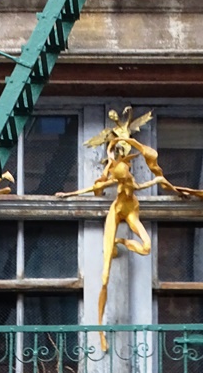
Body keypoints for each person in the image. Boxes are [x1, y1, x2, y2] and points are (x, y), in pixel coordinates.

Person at [56, 136, 173, 350]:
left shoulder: (132, 182)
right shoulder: (118, 181)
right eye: (121, 176)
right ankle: (100, 332)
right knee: (105, 276)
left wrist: (167, 185)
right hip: (116, 212)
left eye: (125, 174)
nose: (124, 178)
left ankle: (120, 241)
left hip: (131, 214)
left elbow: (155, 181)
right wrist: (69, 194)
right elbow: (94, 188)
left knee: (146, 247)